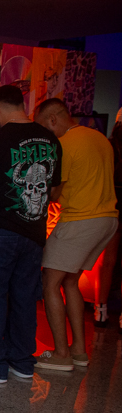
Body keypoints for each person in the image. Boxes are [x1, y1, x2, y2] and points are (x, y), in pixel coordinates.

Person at [0, 85, 62, 384]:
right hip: (34, 232)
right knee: (24, 298)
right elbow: (55, 190)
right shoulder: (50, 140)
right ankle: (22, 362)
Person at [33, 99, 117, 371]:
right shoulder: (99, 138)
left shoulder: (65, 145)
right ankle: (79, 351)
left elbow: (54, 193)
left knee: (50, 281)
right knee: (70, 282)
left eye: (43, 127)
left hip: (81, 220)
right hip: (107, 219)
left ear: (53, 120)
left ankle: (61, 354)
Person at [91, 118, 122, 329]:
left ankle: (100, 310)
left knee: (106, 261)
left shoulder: (108, 145)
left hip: (112, 203)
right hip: (114, 202)